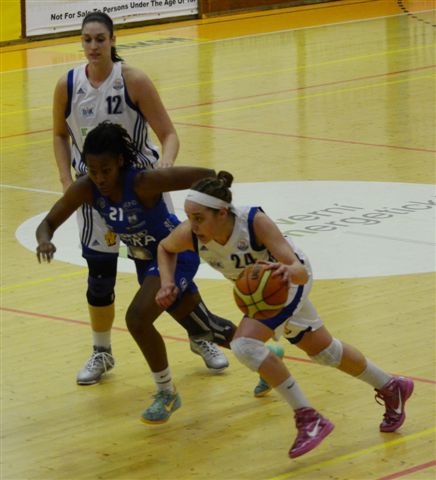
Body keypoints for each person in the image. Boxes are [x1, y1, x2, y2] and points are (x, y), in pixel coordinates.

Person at [155, 171, 414, 459]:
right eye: (189, 217)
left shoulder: (254, 222)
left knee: (244, 344)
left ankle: (309, 418)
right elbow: (165, 248)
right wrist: (167, 282)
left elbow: (299, 272)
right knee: (323, 350)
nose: (193, 225)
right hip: (269, 291)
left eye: (199, 218)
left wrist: (286, 270)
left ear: (222, 213)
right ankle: (391, 386)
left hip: (288, 279)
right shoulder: (190, 234)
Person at [52, 11, 228, 384]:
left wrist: (165, 165)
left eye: (100, 39)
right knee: (100, 277)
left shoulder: (133, 80)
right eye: (87, 39)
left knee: (162, 271)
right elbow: (59, 135)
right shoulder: (67, 85)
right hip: (96, 191)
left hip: (140, 192)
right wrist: (66, 179)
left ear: (113, 40)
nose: (93, 46)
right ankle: (101, 351)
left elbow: (169, 134)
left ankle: (200, 335)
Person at [36, 123, 237, 423]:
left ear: (120, 161)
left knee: (137, 319)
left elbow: (205, 175)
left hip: (174, 254)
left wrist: (218, 188)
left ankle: (167, 393)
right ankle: (264, 355)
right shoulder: (86, 188)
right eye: (93, 170)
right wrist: (44, 240)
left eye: (106, 170)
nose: (100, 178)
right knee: (205, 327)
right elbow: (48, 223)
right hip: (147, 263)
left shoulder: (142, 182)